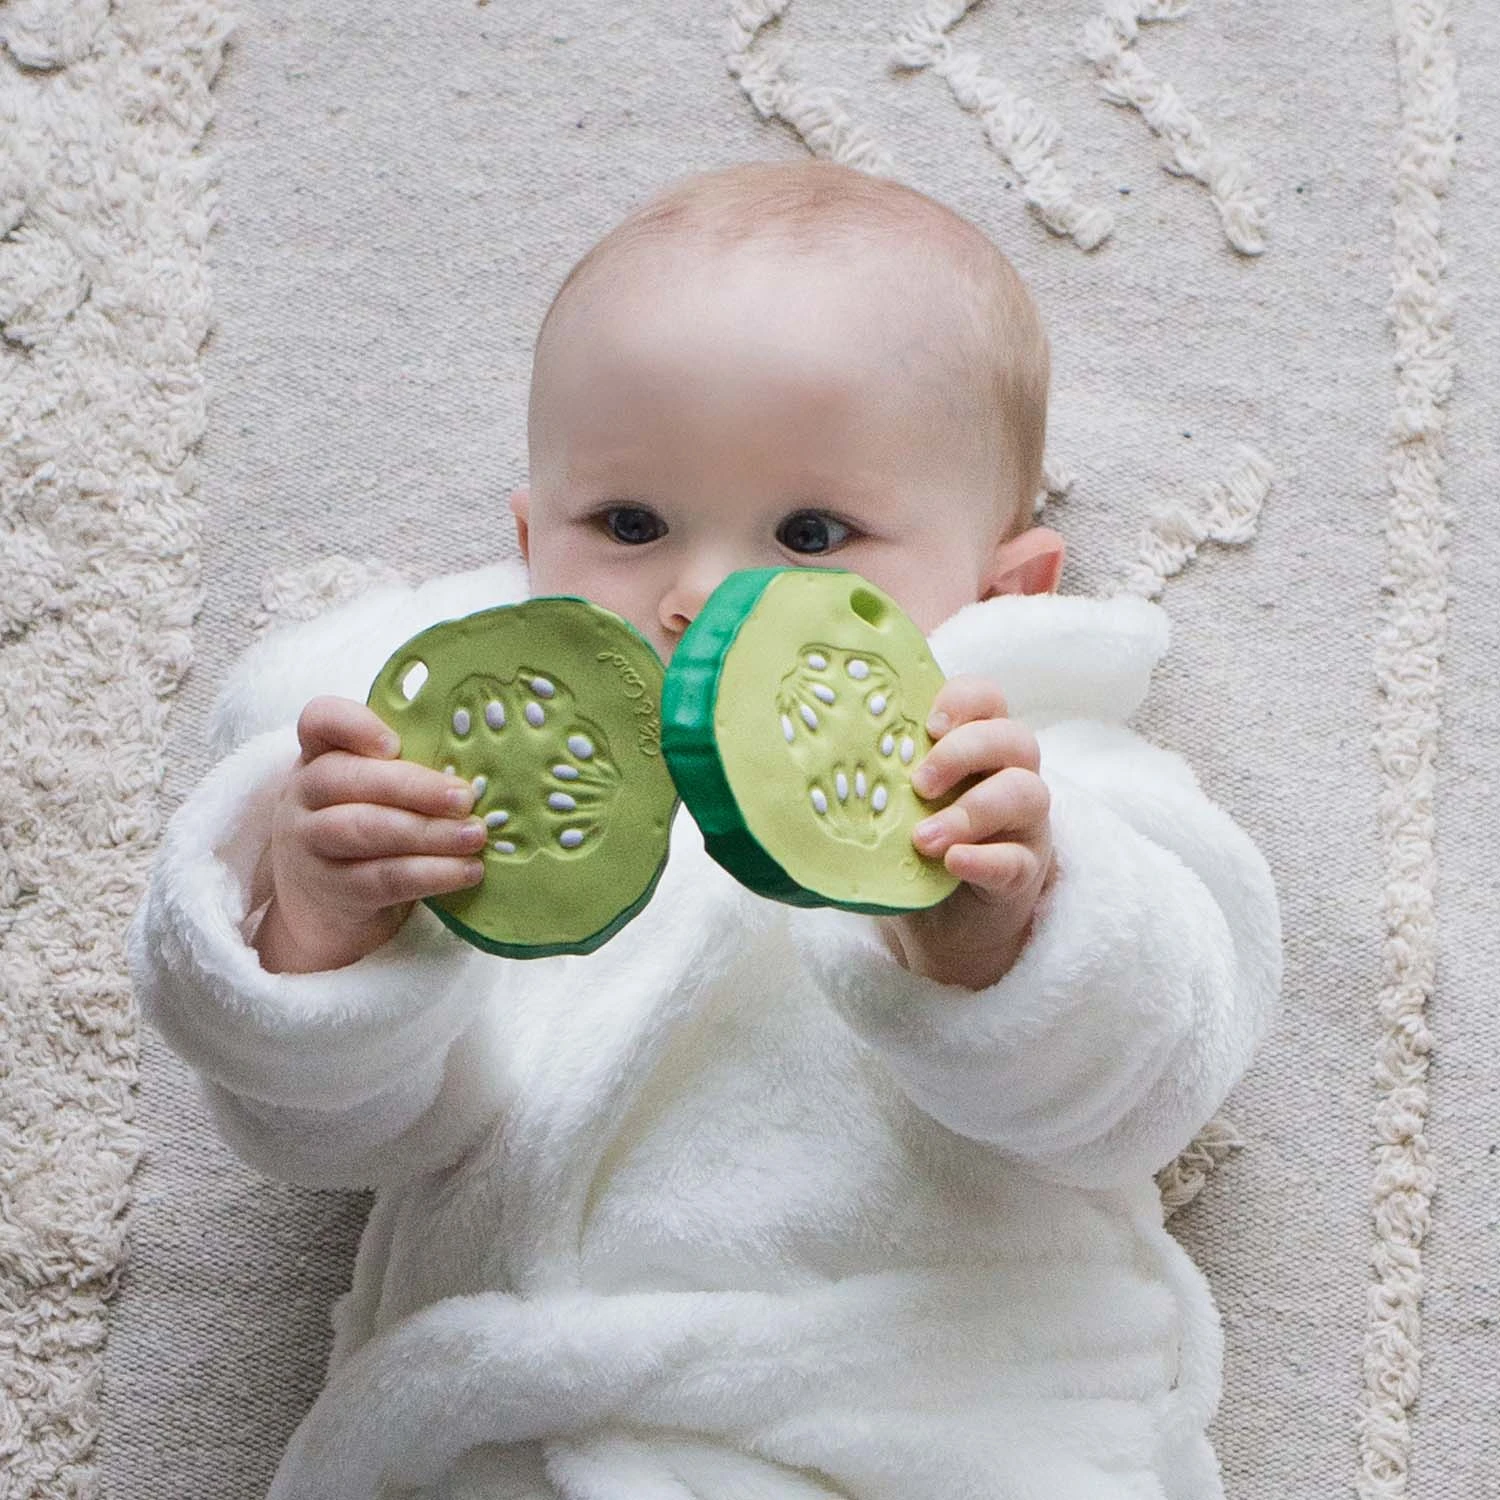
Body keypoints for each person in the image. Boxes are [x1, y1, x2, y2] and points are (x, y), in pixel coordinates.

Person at [127, 159, 1282, 1500]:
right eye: (628, 523)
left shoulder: (1042, 767)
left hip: (934, 1418)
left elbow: (1158, 1077)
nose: (698, 595)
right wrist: (321, 933)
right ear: (525, 540)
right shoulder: (460, 783)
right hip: (510, 1427)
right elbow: (337, 1141)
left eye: (810, 532)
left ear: (998, 580)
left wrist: (1009, 937)